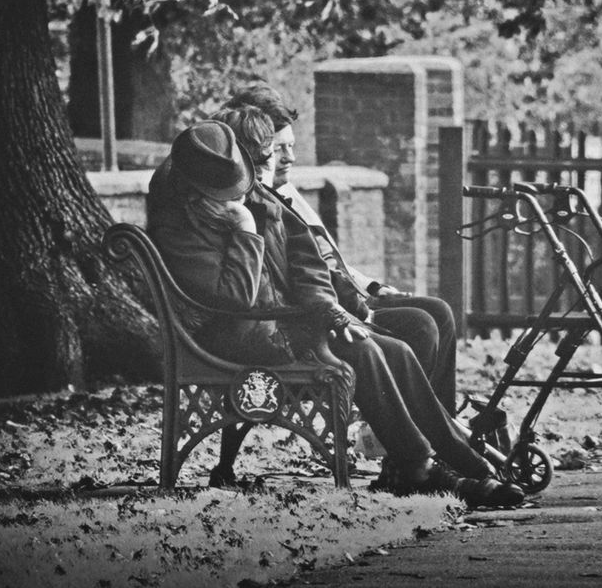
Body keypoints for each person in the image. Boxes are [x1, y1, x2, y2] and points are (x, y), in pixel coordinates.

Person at [147, 118, 524, 508]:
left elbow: (307, 260)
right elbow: (236, 299)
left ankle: (456, 457)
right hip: (239, 339)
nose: (238, 196)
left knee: (394, 349)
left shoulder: (252, 196)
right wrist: (244, 230)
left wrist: (331, 312)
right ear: (195, 193)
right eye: (224, 194)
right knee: (364, 353)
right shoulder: (179, 230)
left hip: (285, 321)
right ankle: (420, 469)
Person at [221, 80, 459, 415]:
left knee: (439, 311)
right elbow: (297, 276)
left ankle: (443, 423)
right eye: (279, 150)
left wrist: (372, 287)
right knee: (422, 325)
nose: (290, 158)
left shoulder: (287, 193)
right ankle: (422, 433)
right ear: (256, 152)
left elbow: (329, 255)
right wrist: (350, 310)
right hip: (319, 312)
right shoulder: (257, 211)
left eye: (291, 146)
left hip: (345, 295)